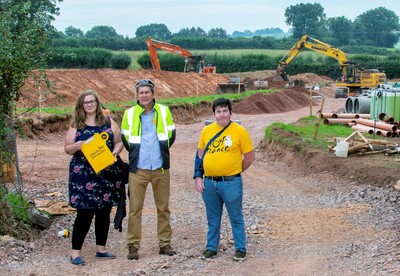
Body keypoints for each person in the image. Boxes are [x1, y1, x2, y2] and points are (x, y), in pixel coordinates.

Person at [64, 90, 123, 266]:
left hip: (105, 173)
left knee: (104, 212)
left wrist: (114, 154)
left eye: (92, 102)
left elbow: (119, 142)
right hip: (83, 176)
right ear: (81, 105)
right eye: (85, 102)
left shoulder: (108, 121)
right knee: (84, 214)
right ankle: (75, 254)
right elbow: (67, 148)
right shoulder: (76, 123)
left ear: (97, 103)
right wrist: (75, 146)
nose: (89, 105)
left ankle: (101, 250)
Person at [194, 98, 255, 261]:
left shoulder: (240, 131)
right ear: (214, 114)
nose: (222, 115)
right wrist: (198, 176)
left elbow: (249, 157)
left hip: (231, 183)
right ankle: (211, 248)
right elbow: (199, 156)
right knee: (212, 218)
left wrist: (234, 171)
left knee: (235, 216)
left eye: (225, 111)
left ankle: (240, 248)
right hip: (209, 182)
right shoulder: (206, 131)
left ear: (230, 113)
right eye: (218, 111)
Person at [121, 79, 176, 260]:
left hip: (160, 167)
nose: (144, 95)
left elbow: (171, 134)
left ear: (153, 94)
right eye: (141, 92)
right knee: (135, 209)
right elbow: (125, 139)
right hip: (138, 168)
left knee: (163, 208)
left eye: (147, 92)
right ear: (137, 95)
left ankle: (164, 243)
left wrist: (161, 153)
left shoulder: (163, 111)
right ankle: (133, 246)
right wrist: (138, 155)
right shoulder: (129, 114)